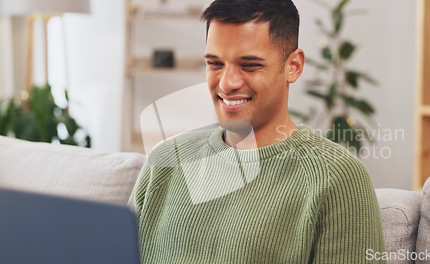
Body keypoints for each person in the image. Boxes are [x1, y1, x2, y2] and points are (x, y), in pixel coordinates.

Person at [128, 0, 386, 263]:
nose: (227, 84)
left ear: (293, 66)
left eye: (249, 65)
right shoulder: (165, 159)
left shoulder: (336, 178)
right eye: (215, 63)